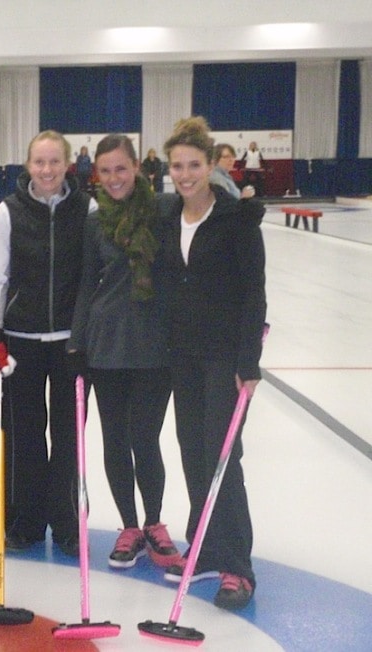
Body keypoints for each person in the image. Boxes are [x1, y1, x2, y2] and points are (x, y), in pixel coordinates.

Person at [160, 117, 267, 611]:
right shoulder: (167, 217)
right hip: (183, 356)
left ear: (211, 166)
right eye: (177, 166)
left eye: (193, 165)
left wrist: (249, 361)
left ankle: (237, 567)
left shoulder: (236, 220)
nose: (185, 174)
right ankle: (203, 547)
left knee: (222, 460)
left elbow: (253, 295)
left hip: (224, 360)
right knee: (192, 452)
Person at [68, 135, 181, 570]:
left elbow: (206, 209)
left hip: (155, 343)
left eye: (121, 168)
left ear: (138, 167)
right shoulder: (95, 225)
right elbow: (85, 284)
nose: (114, 178)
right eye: (106, 171)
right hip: (106, 343)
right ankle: (129, 526)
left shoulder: (164, 212)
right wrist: (78, 342)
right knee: (115, 438)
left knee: (145, 438)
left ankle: (154, 523)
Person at [0, 130, 92, 556]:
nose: (47, 170)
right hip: (21, 342)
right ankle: (25, 521)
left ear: (68, 164)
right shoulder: (9, 212)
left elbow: (93, 277)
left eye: (54, 162)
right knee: (25, 436)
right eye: (39, 162)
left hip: (70, 343)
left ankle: (66, 522)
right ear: (27, 166)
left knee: (69, 437)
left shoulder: (87, 209)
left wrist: (86, 334)